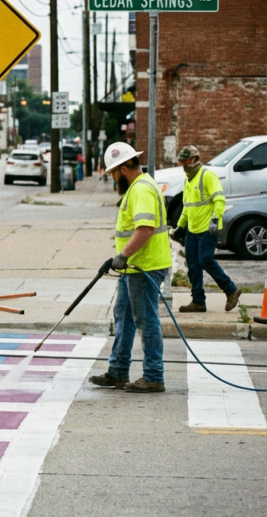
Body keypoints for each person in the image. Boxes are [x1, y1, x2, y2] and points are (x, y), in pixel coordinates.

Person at [89, 142, 172, 393]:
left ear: (125, 168)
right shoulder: (137, 188)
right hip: (133, 267)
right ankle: (117, 371)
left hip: (144, 266)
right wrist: (120, 259)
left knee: (146, 320)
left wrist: (123, 255)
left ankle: (154, 375)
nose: (114, 179)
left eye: (114, 173)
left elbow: (145, 229)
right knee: (123, 317)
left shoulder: (141, 190)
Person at [173, 145, 240, 313]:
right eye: (182, 161)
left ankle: (231, 289)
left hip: (207, 228)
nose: (183, 165)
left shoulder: (207, 175)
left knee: (205, 260)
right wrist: (180, 226)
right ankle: (198, 301)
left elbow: (219, 199)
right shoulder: (188, 180)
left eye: (186, 160)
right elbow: (187, 206)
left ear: (194, 159)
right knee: (193, 265)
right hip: (192, 230)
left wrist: (215, 218)